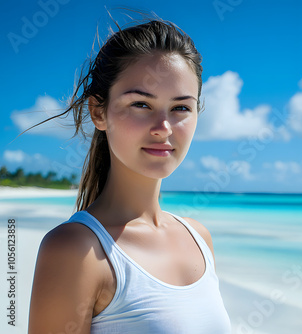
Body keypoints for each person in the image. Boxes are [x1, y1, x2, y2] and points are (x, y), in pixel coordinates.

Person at [28, 17, 232, 333]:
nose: (163, 127)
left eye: (180, 108)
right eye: (140, 104)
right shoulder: (75, 250)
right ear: (98, 112)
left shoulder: (198, 238)